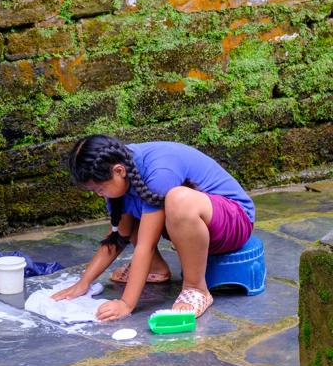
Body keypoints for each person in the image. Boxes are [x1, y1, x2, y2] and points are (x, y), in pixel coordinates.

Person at [52, 134, 255, 322]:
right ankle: (156, 269)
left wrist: (126, 303)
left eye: (100, 188)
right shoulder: (122, 170)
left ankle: (196, 288)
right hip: (197, 228)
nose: (99, 194)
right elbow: (118, 236)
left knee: (178, 199)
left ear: (118, 171)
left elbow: (145, 246)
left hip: (234, 222)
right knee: (133, 213)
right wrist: (83, 282)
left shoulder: (159, 171)